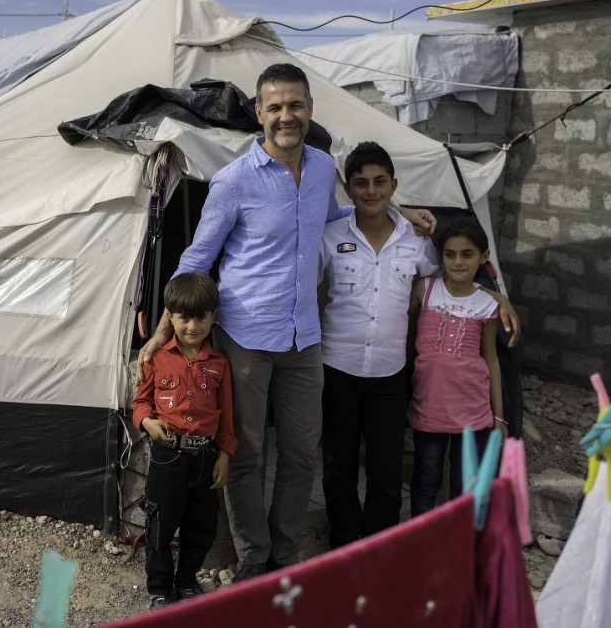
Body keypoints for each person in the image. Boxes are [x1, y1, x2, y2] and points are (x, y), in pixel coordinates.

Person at [137, 63, 439, 579]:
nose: (285, 116)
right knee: (246, 454)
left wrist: (398, 209)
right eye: (274, 107)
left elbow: (330, 217)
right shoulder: (232, 182)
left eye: (295, 105)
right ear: (259, 113)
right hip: (246, 337)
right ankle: (254, 558)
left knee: (302, 453)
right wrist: (166, 328)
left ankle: (285, 551)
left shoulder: (323, 168)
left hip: (305, 338)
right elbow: (197, 257)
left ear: (310, 110)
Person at [317, 141, 444, 548]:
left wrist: (417, 297)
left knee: (386, 467)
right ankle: (343, 542)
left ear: (394, 185)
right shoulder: (330, 236)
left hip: (390, 372)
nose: (370, 191)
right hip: (338, 367)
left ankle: (378, 546)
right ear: (348, 190)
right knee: (338, 464)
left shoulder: (416, 240)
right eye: (361, 183)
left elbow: (441, 279)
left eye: (378, 182)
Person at [132, 272, 236, 609]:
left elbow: (227, 414)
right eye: (184, 318)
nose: (192, 326)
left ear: (213, 316)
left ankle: (187, 579)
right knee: (160, 524)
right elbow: (140, 402)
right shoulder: (156, 358)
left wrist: (224, 455)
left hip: (205, 458)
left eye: (201, 317)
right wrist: (146, 421)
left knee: (202, 526)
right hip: (167, 457)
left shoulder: (220, 364)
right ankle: (159, 587)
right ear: (170, 316)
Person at [407, 216, 508, 516]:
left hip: (473, 411)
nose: (458, 262)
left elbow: (491, 360)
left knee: (464, 485)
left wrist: (499, 417)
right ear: (441, 257)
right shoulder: (424, 289)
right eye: (450, 255)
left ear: (483, 256)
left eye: (467, 254)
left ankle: (458, 547)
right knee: (426, 477)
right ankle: (422, 539)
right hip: (429, 407)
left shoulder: (487, 305)